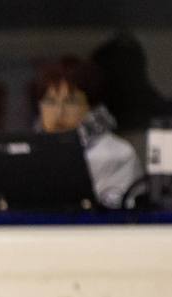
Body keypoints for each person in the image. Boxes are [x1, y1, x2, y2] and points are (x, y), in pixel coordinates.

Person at [34, 56, 142, 210]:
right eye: (50, 102)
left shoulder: (119, 154)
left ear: (91, 107)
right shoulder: (25, 152)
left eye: (70, 102)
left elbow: (118, 220)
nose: (58, 113)